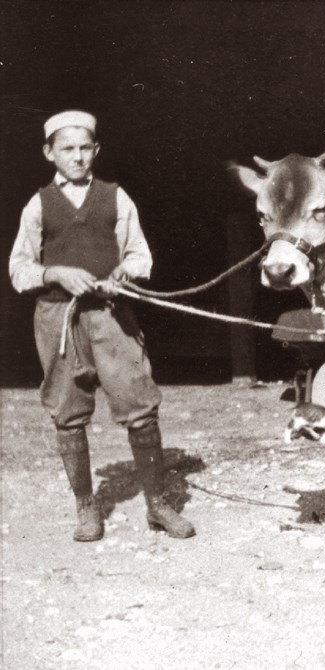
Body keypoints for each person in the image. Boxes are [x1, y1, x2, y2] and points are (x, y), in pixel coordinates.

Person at [8, 110, 194, 541]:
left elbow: (138, 254)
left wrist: (123, 277)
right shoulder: (38, 204)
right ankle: (86, 508)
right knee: (68, 411)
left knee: (139, 403)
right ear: (49, 153)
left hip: (112, 318)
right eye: (67, 149)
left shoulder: (115, 196)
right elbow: (20, 268)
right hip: (58, 320)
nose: (76, 157)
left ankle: (158, 504)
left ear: (96, 151)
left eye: (84, 148)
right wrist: (55, 274)